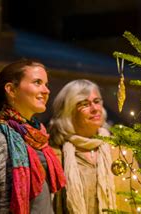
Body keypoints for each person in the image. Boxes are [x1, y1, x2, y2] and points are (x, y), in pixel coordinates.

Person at [0, 59, 66, 214]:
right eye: (37, 82)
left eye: (46, 84)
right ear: (11, 90)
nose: (46, 91)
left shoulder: (40, 137)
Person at [49, 79, 117, 213]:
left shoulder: (120, 152)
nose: (95, 109)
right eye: (84, 104)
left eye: (97, 102)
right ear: (68, 111)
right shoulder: (54, 155)